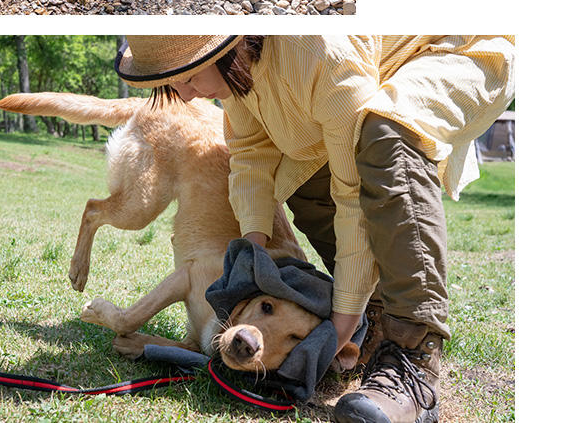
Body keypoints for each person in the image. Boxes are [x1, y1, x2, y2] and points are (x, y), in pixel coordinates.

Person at [115, 35, 515, 423]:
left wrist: (340, 325)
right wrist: (252, 250)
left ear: (227, 47)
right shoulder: (241, 71)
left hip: (459, 47)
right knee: (299, 168)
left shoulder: (318, 54)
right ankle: (372, 316)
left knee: (387, 132)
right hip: (364, 82)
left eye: (187, 76)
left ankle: (412, 357)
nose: (184, 94)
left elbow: (353, 194)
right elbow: (252, 153)